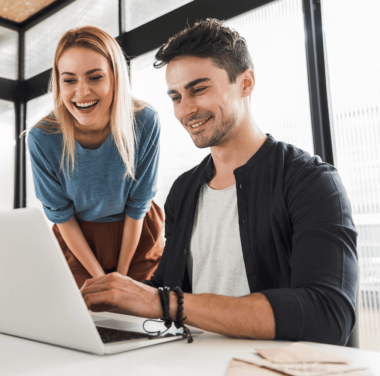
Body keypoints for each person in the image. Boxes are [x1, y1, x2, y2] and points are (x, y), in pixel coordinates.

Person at [80, 19, 358, 345]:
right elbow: (168, 287)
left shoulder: (311, 183)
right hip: (192, 364)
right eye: (175, 97)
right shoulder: (184, 190)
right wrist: (113, 297)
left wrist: (162, 302)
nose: (186, 110)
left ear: (246, 82)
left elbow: (327, 314)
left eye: (199, 89)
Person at [27, 26, 164, 288]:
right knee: (85, 316)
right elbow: (61, 215)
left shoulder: (145, 122)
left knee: (141, 313)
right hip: (78, 241)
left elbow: (138, 205)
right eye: (69, 80)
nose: (81, 92)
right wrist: (102, 279)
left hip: (136, 234)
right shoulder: (42, 138)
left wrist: (121, 279)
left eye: (95, 77)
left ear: (115, 78)